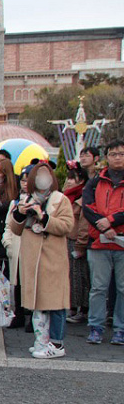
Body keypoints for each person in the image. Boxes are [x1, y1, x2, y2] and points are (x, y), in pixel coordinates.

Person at [10, 162, 74, 358]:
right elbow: (15, 229)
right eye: (38, 175)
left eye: (46, 174)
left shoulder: (59, 199)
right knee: (37, 303)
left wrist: (43, 217)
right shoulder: (26, 199)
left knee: (55, 302)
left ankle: (56, 343)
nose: (42, 179)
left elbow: (67, 226)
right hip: (31, 259)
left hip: (52, 259)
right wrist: (20, 213)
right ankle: (41, 340)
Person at [82, 139, 124, 345]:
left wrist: (113, 222)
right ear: (106, 157)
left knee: (123, 288)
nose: (118, 157)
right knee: (98, 288)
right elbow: (87, 206)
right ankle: (96, 327)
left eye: (122, 154)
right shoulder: (96, 181)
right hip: (99, 242)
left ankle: (120, 328)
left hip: (122, 243)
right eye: (114, 154)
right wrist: (103, 224)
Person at [64, 168, 91, 324]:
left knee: (79, 276)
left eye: (72, 178)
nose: (68, 181)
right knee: (71, 275)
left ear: (81, 180)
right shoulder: (66, 195)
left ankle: (81, 309)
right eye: (68, 178)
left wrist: (81, 244)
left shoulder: (83, 196)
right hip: (67, 239)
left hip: (77, 241)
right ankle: (73, 307)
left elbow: (83, 222)